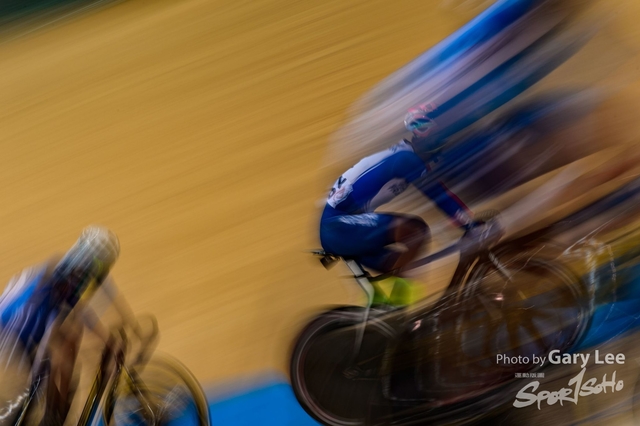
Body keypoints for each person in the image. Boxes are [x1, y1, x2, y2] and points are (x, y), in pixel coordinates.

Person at [0, 226, 140, 426]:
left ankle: (53, 413)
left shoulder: (71, 268)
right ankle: (48, 415)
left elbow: (106, 292)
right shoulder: (62, 278)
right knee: (45, 373)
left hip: (20, 327)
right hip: (14, 336)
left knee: (68, 344)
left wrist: (130, 325)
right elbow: (74, 317)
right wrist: (108, 340)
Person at [320, 103, 474, 278]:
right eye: (442, 134)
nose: (445, 140)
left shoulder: (403, 155)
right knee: (416, 231)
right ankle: (403, 291)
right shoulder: (406, 160)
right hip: (339, 226)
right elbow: (439, 195)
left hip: (341, 228)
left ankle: (403, 295)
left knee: (401, 271)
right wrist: (470, 225)